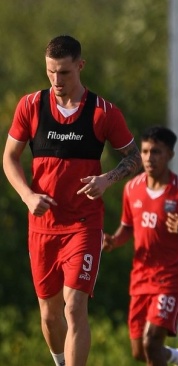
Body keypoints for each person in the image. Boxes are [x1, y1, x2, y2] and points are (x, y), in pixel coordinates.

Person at [2, 35, 142, 366]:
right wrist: (27, 195)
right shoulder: (31, 106)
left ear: (80, 66)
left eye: (64, 73)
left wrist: (107, 180)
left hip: (83, 224)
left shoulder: (103, 112)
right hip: (42, 227)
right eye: (51, 72)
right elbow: (9, 158)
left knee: (75, 304)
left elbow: (133, 157)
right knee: (50, 315)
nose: (56, 80)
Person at [102, 126, 178, 366]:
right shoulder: (131, 189)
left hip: (170, 279)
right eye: (144, 151)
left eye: (155, 152)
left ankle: (174, 355)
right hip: (140, 279)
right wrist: (113, 240)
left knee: (151, 342)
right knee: (140, 351)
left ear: (169, 155)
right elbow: (127, 227)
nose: (148, 157)